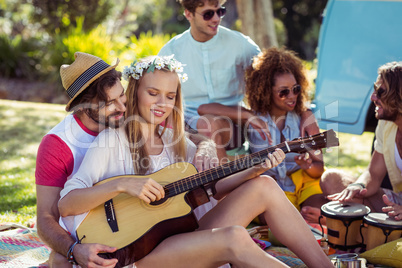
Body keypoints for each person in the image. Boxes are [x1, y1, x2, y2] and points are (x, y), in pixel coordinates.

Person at [58, 55, 334, 268]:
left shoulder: (174, 140)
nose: (161, 103)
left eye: (169, 96)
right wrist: (121, 184)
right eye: (152, 93)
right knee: (235, 237)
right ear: (135, 93)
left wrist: (256, 169)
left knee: (263, 185)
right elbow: (67, 204)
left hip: (180, 237)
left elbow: (213, 189)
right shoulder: (112, 140)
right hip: (140, 255)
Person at [35, 52, 216, 267]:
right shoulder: (58, 144)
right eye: (109, 102)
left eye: (121, 95)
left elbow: (183, 135)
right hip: (87, 232)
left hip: (137, 226)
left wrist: (207, 145)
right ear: (83, 106)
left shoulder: (132, 112)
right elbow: (47, 217)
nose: (122, 107)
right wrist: (73, 250)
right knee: (60, 259)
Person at [245, 47, 327, 224]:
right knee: (276, 220)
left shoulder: (305, 119)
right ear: (266, 91)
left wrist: (307, 165)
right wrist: (246, 115)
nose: (292, 96)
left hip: (302, 182)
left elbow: (319, 168)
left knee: (318, 213)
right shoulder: (253, 120)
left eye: (296, 89)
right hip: (269, 187)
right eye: (284, 92)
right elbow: (204, 109)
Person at [323, 61, 402, 221]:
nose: (373, 97)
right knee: (331, 179)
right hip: (397, 203)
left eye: (381, 92)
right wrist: (357, 186)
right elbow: (374, 173)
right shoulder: (386, 124)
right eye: (374, 91)